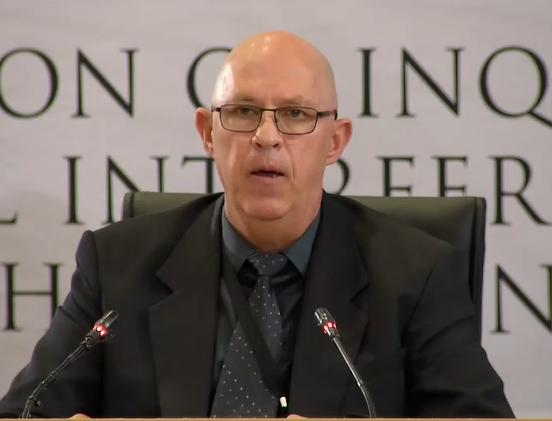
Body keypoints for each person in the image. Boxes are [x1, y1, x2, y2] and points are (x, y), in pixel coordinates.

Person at [0, 31, 514, 419]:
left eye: (296, 115)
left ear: (335, 142)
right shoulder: (116, 265)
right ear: (208, 133)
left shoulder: (416, 275)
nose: (267, 137)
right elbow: (24, 412)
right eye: (244, 111)